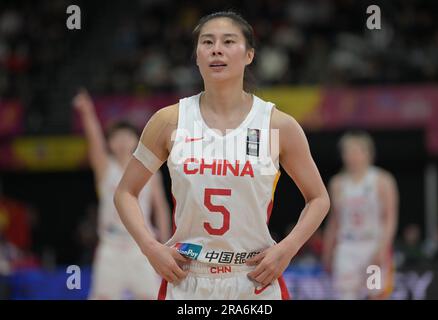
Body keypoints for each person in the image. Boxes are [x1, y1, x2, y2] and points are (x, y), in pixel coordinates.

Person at [114, 11, 330, 300]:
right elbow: (126, 192)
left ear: (249, 55)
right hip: (187, 278)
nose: (217, 48)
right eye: (207, 42)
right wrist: (150, 247)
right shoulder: (169, 121)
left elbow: (319, 199)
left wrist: (287, 249)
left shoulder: (277, 125)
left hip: (254, 280)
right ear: (197, 56)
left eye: (229, 41)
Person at [73, 90, 171, 299]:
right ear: (110, 143)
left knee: (153, 296)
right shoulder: (105, 168)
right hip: (110, 246)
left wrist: (166, 242)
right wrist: (87, 112)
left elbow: (161, 207)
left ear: (137, 140)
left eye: (128, 136)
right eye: (117, 137)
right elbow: (94, 141)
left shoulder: (150, 171)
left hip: (142, 245)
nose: (123, 141)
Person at [322, 131, 399, 299]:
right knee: (345, 295)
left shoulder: (382, 180)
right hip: (347, 247)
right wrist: (327, 251)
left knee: (376, 293)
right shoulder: (337, 183)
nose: (351, 156)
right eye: (347, 152)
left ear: (368, 153)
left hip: (373, 245)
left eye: (356, 151)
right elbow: (334, 221)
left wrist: (383, 248)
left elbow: (390, 218)